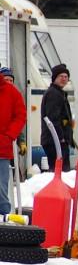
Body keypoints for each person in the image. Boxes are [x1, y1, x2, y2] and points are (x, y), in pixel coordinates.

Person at [0, 67, 26, 216]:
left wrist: (9, 135)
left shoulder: (12, 92)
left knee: (1, 190)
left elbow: (20, 115)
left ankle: (3, 221)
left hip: (2, 149)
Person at [41, 64, 74, 172]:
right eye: (61, 76)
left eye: (66, 76)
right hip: (55, 141)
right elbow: (53, 118)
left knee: (61, 171)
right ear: (54, 78)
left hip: (58, 140)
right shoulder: (54, 94)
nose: (64, 79)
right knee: (61, 172)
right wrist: (61, 137)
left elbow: (63, 118)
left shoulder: (59, 93)